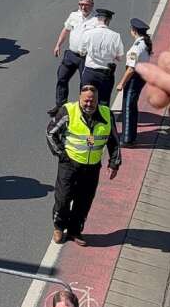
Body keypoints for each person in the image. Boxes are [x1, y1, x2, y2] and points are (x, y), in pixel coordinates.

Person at [46, 84, 121, 245]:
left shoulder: (107, 114)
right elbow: (51, 133)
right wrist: (62, 154)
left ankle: (75, 231)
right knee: (63, 199)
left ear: (97, 101)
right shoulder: (68, 111)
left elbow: (114, 141)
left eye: (92, 102)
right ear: (80, 98)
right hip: (70, 164)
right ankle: (59, 227)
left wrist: (114, 163)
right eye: (86, 101)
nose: (88, 104)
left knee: (84, 201)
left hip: (92, 167)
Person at [49, 0, 98, 115]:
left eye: (86, 5)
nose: (83, 7)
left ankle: (83, 108)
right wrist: (58, 45)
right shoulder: (74, 16)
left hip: (85, 57)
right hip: (71, 55)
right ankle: (60, 106)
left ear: (92, 5)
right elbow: (66, 29)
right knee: (61, 78)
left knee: (85, 85)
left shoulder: (96, 20)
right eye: (81, 4)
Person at [117, 17, 152, 146]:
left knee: (127, 107)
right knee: (132, 106)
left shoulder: (136, 47)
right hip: (141, 76)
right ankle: (131, 135)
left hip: (134, 78)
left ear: (134, 30)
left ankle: (127, 139)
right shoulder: (145, 43)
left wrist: (122, 83)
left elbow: (131, 68)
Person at [80, 8, 124, 105]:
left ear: (97, 19)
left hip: (89, 72)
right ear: (108, 20)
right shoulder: (116, 36)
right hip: (105, 74)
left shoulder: (88, 33)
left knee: (86, 100)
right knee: (103, 102)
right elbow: (119, 57)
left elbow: (82, 52)